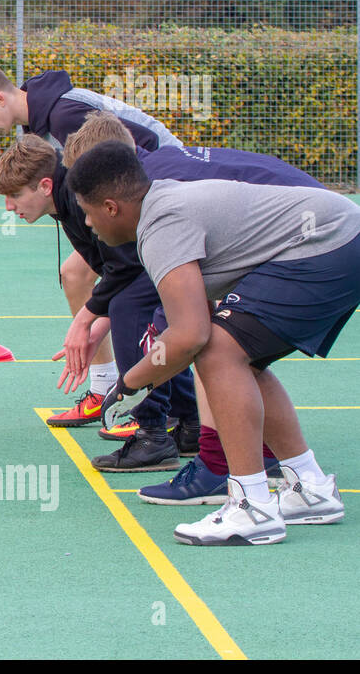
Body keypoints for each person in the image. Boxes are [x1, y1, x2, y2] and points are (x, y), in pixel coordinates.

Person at [67, 141, 352, 545]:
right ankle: (310, 488)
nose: (88, 223)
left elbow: (189, 335)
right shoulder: (161, 205)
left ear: (111, 207)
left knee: (218, 350)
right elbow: (193, 321)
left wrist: (128, 384)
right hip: (339, 235)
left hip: (329, 242)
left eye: (87, 211)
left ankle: (252, 507)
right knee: (240, 358)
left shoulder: (160, 227)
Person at [0, 60, 185, 428]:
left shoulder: (63, 117)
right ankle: (105, 384)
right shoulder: (39, 117)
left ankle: (151, 403)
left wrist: (91, 321)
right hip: (130, 200)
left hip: (161, 190)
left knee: (129, 297)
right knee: (75, 273)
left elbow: (140, 150)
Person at [0, 134, 197, 472]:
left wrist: (85, 321)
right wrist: (93, 328)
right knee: (142, 322)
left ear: (44, 186)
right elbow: (114, 267)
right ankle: (191, 425)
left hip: (165, 251)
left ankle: (152, 435)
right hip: (155, 255)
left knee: (128, 309)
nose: (9, 207)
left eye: (14, 196)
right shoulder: (63, 203)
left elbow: (126, 267)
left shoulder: (76, 196)